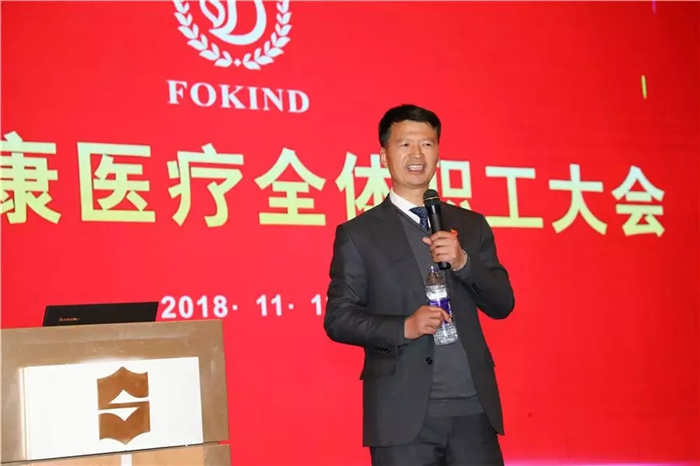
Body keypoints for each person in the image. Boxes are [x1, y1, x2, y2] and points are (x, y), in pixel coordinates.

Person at [323, 104, 515, 466]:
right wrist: (404, 327)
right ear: (384, 156)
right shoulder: (359, 234)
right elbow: (338, 318)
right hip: (402, 416)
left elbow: (503, 303)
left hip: (473, 410)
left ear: (437, 153)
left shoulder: (470, 225)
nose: (416, 154)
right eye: (405, 144)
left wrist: (463, 262)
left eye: (426, 144)